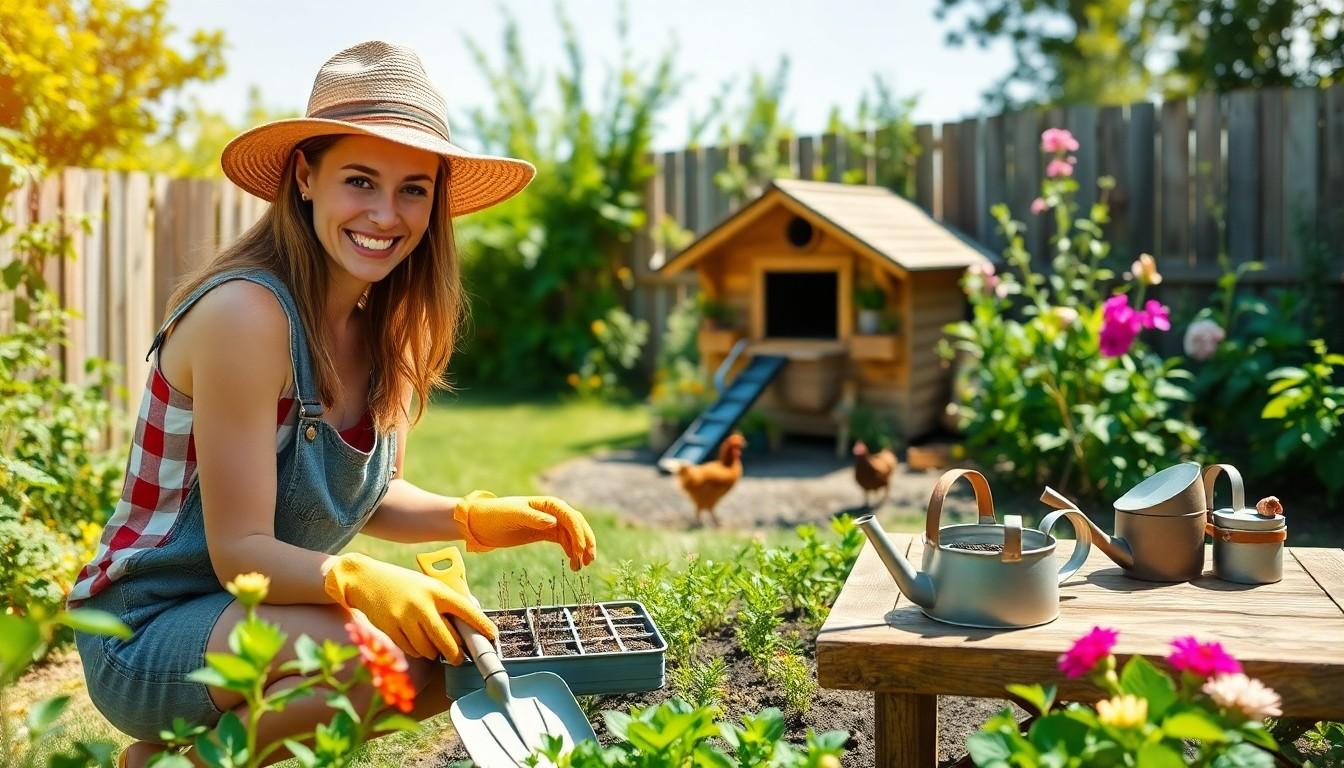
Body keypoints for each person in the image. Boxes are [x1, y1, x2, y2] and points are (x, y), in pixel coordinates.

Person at [67, 40, 597, 767]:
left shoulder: (385, 325)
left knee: (434, 662)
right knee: (372, 654)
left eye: (414, 187)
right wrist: (358, 581)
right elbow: (239, 554)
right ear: (305, 176)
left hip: (253, 616)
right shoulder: (246, 316)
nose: (386, 213)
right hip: (143, 631)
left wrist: (472, 518)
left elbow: (359, 498)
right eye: (360, 180)